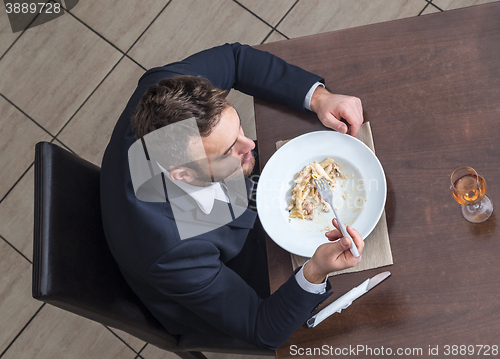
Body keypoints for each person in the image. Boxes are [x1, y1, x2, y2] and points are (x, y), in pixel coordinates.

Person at [100, 42, 364, 350]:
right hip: (226, 270)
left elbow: (235, 59)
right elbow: (262, 329)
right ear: (183, 174)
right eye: (230, 150)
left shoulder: (164, 92)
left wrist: (319, 97)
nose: (249, 146)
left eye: (239, 129)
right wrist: (315, 271)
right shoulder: (173, 252)